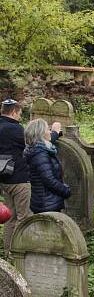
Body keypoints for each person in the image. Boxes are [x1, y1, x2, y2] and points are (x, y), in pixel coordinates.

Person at [0, 99, 32, 255]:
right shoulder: (15, 128)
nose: (20, 117)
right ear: (13, 112)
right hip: (19, 179)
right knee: (22, 217)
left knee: (9, 218)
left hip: (4, 179)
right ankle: (19, 253)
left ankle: (8, 252)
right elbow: (31, 143)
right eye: (19, 113)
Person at [24, 119, 70, 213]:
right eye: (47, 130)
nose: (50, 132)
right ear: (41, 134)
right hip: (47, 204)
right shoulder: (40, 154)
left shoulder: (38, 149)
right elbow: (49, 180)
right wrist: (65, 190)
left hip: (45, 201)